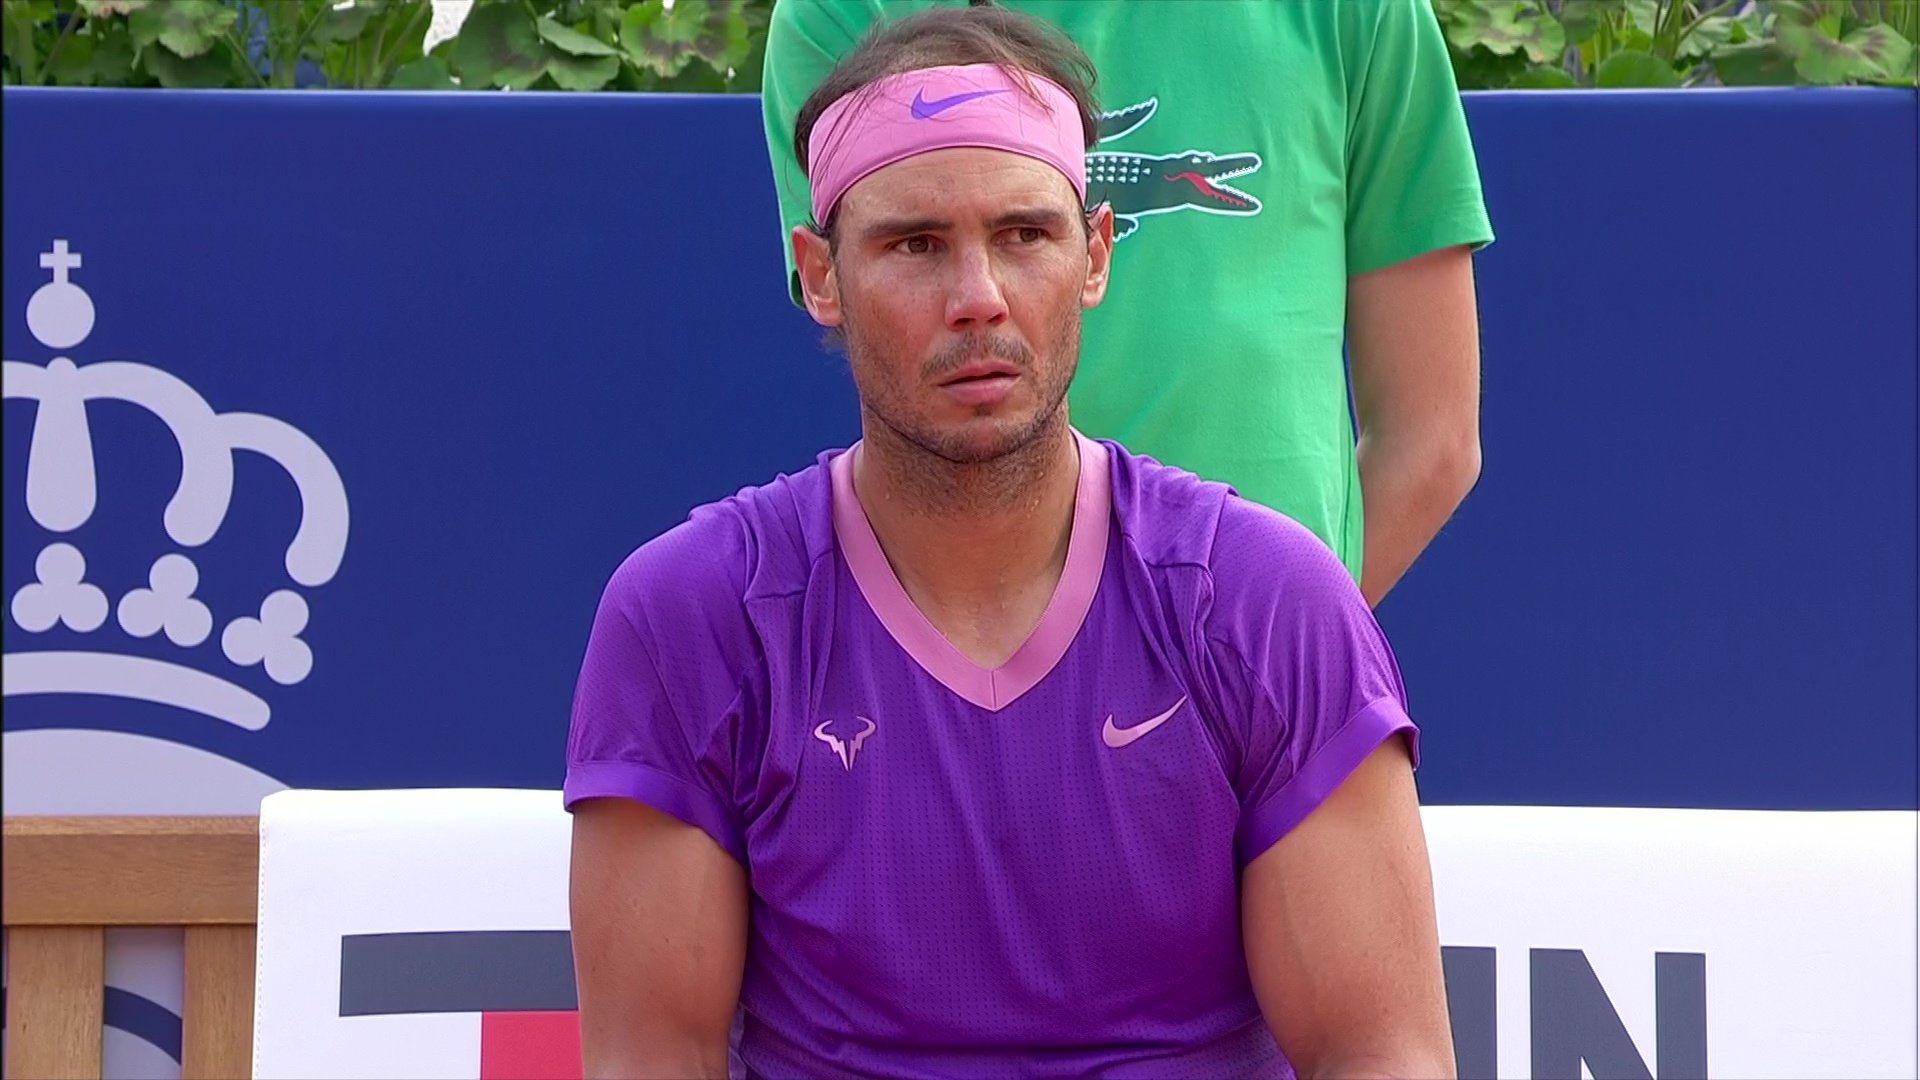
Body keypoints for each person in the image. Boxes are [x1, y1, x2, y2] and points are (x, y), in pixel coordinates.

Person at [565, 7, 1453, 1078]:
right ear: (820, 274)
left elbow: (1384, 1056)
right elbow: (650, 1057)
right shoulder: (691, 620)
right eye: (915, 245)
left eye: (1025, 235)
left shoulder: (1273, 605)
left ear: (1095, 254)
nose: (977, 299)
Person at [762, 0, 1492, 608]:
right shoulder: (846, 9)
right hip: (958, 686)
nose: (978, 298)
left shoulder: (1359, 11)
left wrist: (1272, 656)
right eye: (921, 244)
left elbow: (1433, 440)